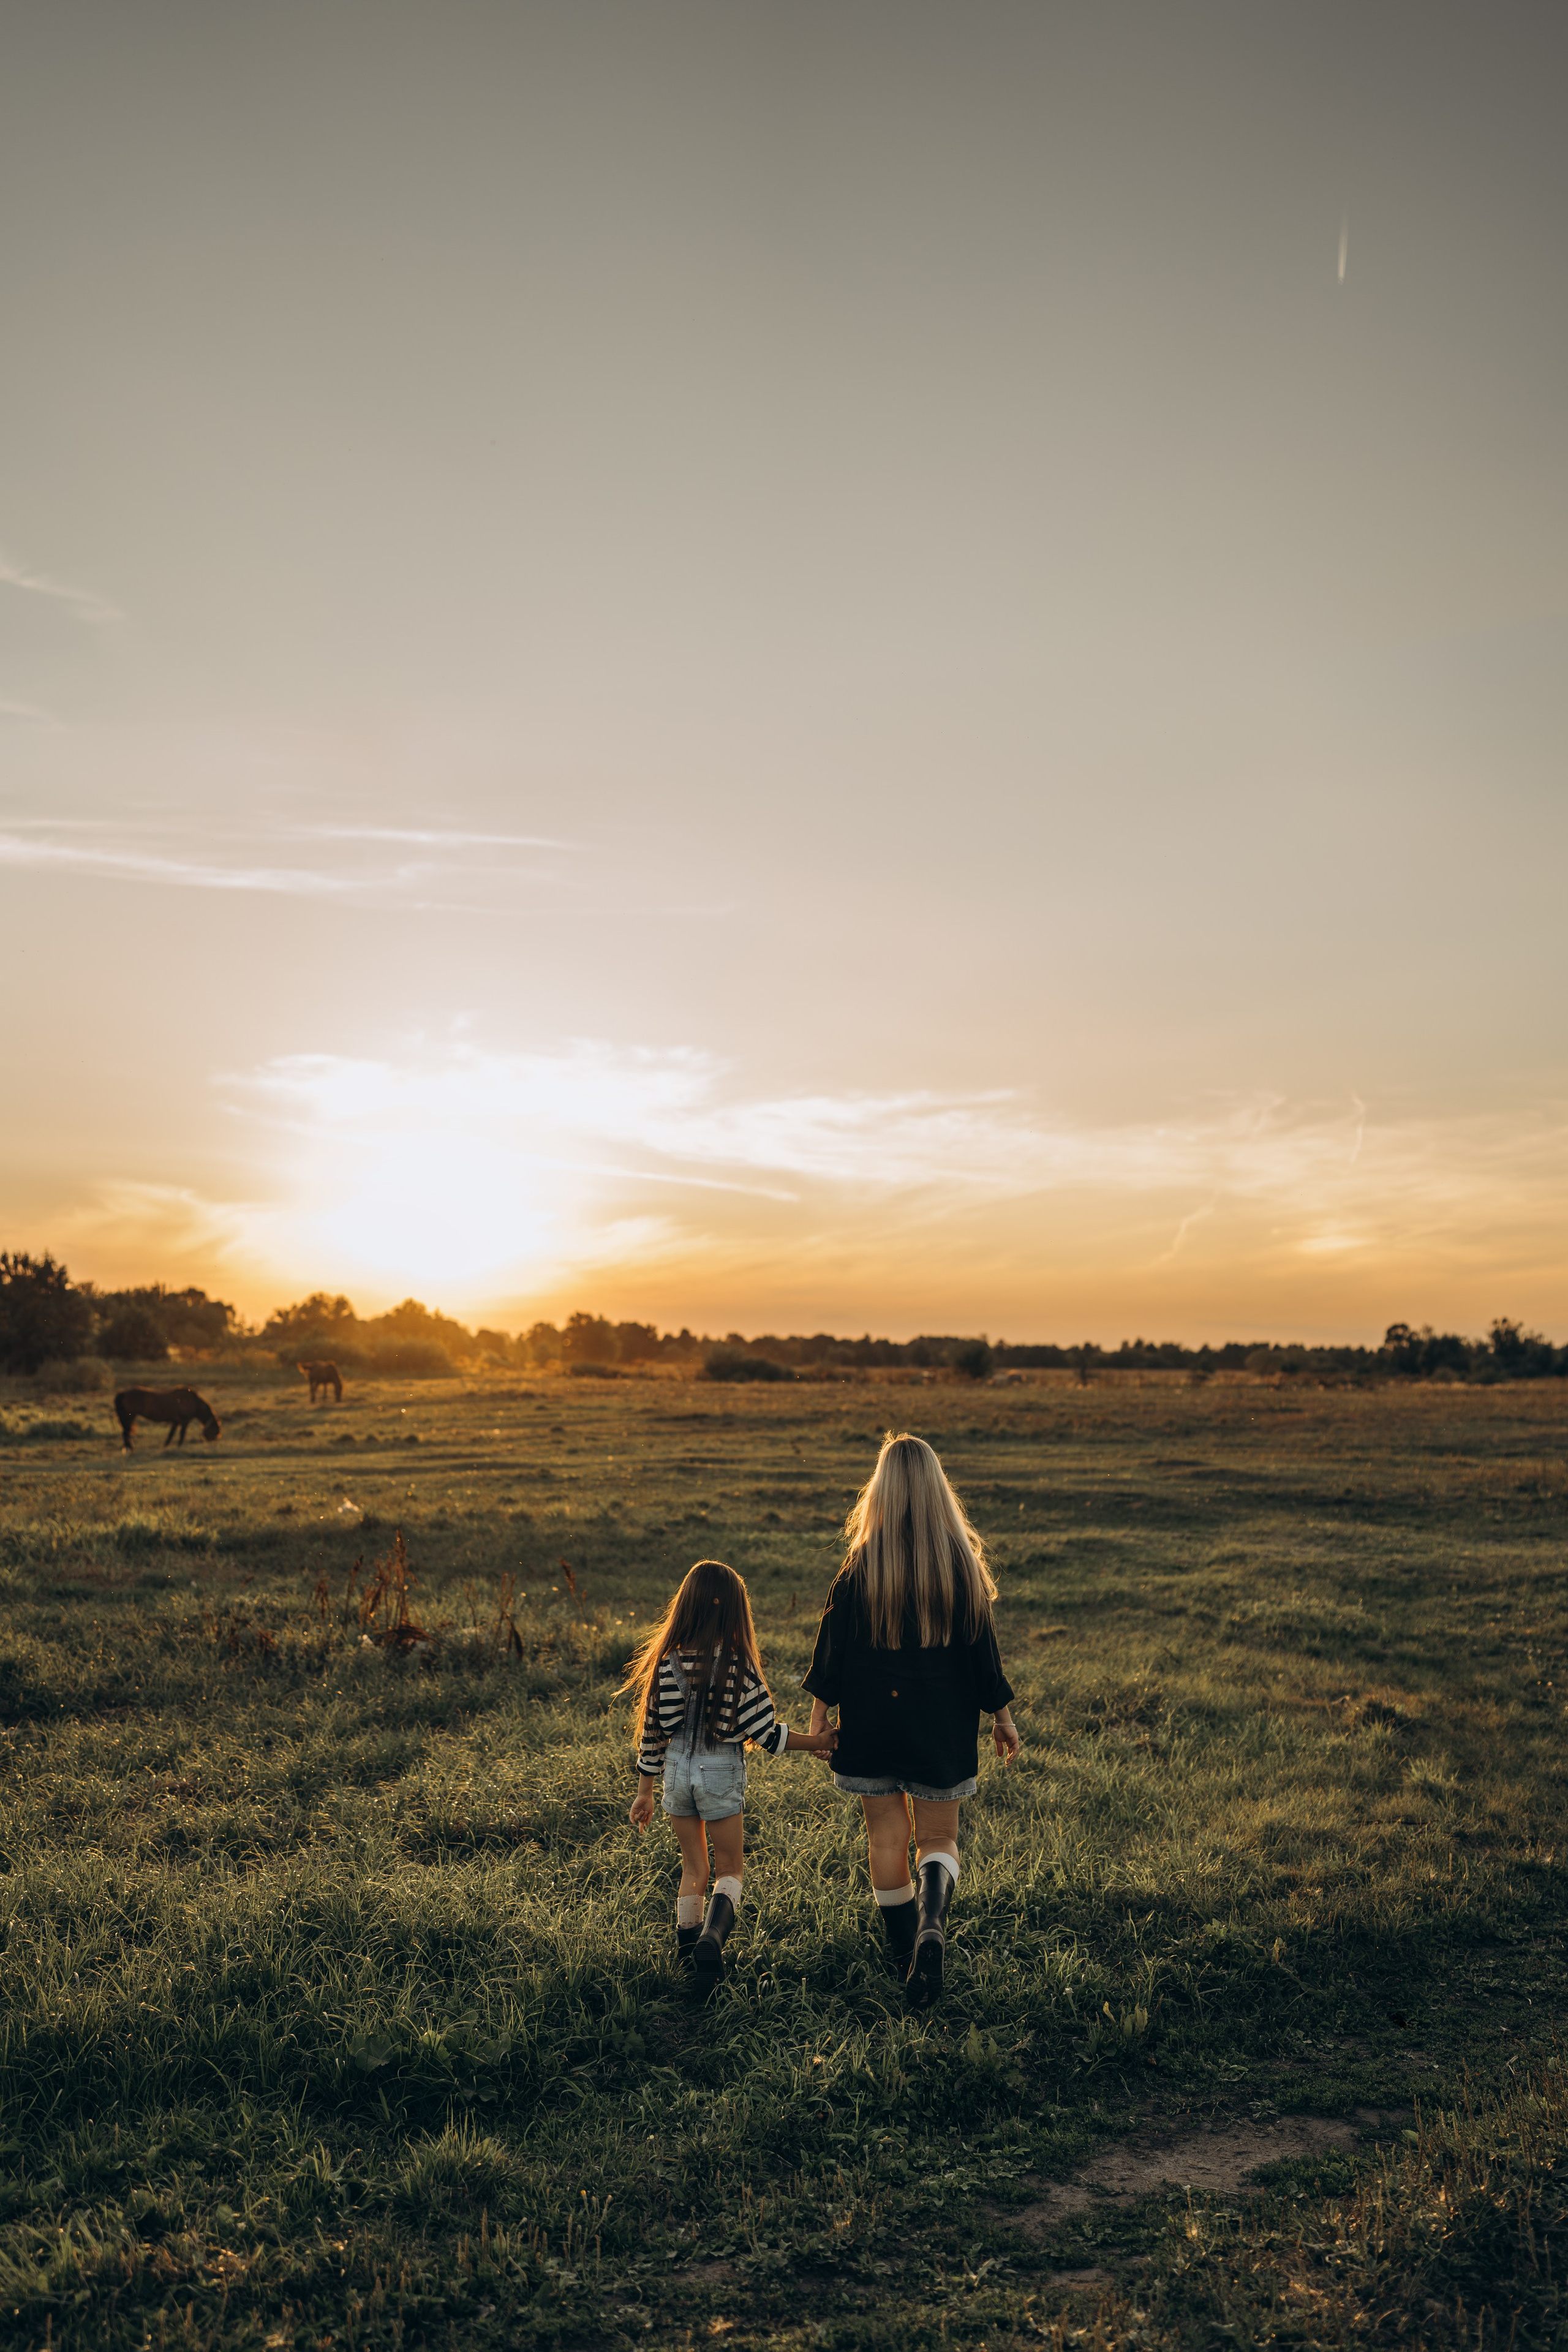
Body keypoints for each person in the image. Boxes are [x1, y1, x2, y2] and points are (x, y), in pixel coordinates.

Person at [803, 1431, 1019, 2008]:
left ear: (881, 1492)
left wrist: (820, 1718)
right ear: (935, 1490)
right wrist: (1002, 1717)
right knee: (938, 1837)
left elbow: (832, 1649)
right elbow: (983, 1653)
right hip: (940, 1726)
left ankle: (904, 1954)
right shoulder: (960, 1563)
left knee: (886, 1837)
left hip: (873, 1722)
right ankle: (932, 1931)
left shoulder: (860, 1564)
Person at [624, 1558, 837, 1983]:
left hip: (677, 1774)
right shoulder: (739, 1664)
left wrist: (645, 1791)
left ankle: (689, 1962)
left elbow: (652, 1733)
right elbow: (765, 1732)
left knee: (692, 1869)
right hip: (721, 1769)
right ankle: (712, 1940)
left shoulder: (666, 1662)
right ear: (735, 1611)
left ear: (686, 1606)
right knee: (730, 1870)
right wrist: (818, 1742)